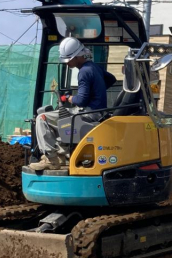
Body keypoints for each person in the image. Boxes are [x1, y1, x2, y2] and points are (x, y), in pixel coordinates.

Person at [29, 37, 114, 171]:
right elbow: (111, 79)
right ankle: (61, 155)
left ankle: (51, 159)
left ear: (78, 56)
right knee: (60, 120)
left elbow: (80, 101)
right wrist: (96, 92)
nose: (67, 63)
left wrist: (69, 98)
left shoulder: (84, 72)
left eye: (69, 59)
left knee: (42, 118)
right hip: (97, 113)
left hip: (87, 114)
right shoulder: (94, 67)